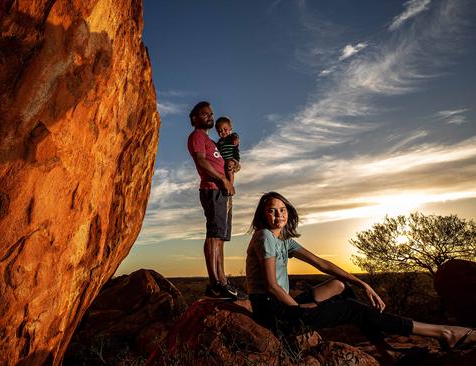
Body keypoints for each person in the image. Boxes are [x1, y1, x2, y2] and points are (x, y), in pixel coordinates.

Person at [245, 191, 475, 360]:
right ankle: (443, 332)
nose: (278, 215)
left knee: (340, 285)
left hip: (282, 304)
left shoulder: (283, 240)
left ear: (288, 212)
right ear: (263, 215)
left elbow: (322, 263)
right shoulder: (265, 237)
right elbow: (272, 286)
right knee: (353, 309)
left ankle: (384, 350)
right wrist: (299, 309)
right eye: (272, 210)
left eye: (282, 209)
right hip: (272, 310)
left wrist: (362, 283)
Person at [187, 101, 247, 300]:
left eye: (211, 114)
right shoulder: (196, 136)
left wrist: (233, 165)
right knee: (214, 235)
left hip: (222, 191)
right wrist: (222, 179)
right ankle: (214, 285)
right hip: (212, 189)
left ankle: (223, 281)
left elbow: (225, 158)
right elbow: (202, 162)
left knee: (220, 237)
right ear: (195, 118)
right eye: (204, 114)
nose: (209, 116)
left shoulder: (213, 142)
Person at [215, 117, 241, 185]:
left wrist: (236, 139)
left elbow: (236, 136)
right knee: (223, 171)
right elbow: (215, 148)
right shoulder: (220, 142)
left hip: (233, 160)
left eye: (225, 129)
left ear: (230, 129)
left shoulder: (232, 137)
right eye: (220, 131)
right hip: (224, 162)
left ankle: (230, 184)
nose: (223, 132)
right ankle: (224, 184)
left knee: (229, 167)